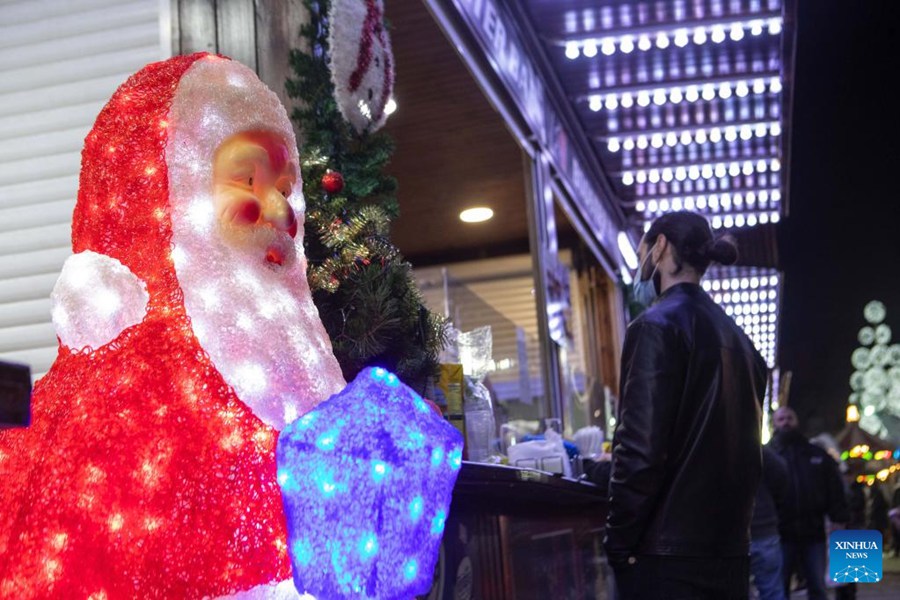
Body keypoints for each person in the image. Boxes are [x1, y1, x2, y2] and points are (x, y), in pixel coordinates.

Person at [605, 211, 767, 600]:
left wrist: (618, 542)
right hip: (730, 553)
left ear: (660, 247)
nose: (640, 266)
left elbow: (641, 451)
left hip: (669, 560)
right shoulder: (744, 344)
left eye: (642, 252)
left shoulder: (655, 326)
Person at [770, 407, 849, 600]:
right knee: (778, 588)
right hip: (780, 533)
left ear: (797, 421)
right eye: (781, 419)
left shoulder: (816, 454)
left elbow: (833, 487)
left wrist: (839, 517)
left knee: (817, 586)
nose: (786, 422)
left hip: (813, 532)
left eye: (789, 417)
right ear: (775, 423)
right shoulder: (768, 456)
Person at [751, 445, 789, 600]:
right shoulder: (758, 450)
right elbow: (781, 474)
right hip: (764, 527)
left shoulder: (714, 449)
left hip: (729, 534)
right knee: (772, 590)